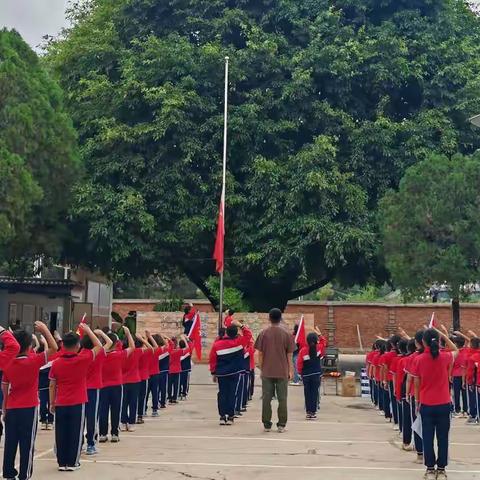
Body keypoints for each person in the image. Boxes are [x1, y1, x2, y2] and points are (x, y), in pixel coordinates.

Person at [1, 321, 56, 480]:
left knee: (10, 442)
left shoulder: (7, 363)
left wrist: (4, 410)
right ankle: (24, 474)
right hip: (29, 407)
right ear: (28, 346)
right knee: (27, 443)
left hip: (12, 407)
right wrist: (45, 330)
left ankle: (9, 472)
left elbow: (5, 389)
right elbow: (53, 348)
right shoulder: (33, 361)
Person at [49, 324, 103, 471]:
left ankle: (62, 462)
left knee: (61, 432)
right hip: (78, 401)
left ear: (63, 345)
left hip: (61, 401)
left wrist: (51, 402)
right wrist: (89, 331)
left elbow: (52, 385)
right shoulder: (83, 358)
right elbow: (99, 346)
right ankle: (72, 462)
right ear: (77, 345)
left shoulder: (57, 362)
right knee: (76, 432)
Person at [412, 328, 458, 480]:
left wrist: (418, 402)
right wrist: (444, 335)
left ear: (423, 342)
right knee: (443, 438)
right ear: (438, 341)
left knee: (427, 437)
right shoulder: (445, 357)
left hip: (426, 404)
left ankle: (430, 469)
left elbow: (417, 384)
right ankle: (442, 469)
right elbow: (456, 349)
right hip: (444, 404)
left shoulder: (418, 360)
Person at [254, 308, 295, 433]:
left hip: (267, 371)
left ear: (269, 318)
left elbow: (260, 354)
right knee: (282, 399)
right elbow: (289, 355)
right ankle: (281, 424)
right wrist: (291, 370)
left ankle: (267, 424)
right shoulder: (287, 334)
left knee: (267, 399)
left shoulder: (263, 333)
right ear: (280, 318)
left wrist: (261, 368)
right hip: (282, 371)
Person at [209, 321, 252, 425]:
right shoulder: (239, 342)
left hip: (221, 374)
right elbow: (249, 335)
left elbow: (212, 359)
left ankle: (222, 416)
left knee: (222, 394)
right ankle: (231, 416)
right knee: (233, 394)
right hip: (235, 373)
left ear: (226, 333)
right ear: (236, 333)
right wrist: (241, 325)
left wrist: (213, 373)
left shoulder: (217, 345)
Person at [99, 327, 135, 443]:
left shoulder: (100, 355)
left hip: (103, 386)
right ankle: (114, 433)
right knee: (116, 410)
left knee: (103, 411)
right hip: (116, 386)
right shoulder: (119, 354)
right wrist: (128, 334)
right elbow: (132, 347)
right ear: (116, 343)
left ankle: (102, 434)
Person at [82, 329, 113, 455]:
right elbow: (109, 342)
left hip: (81, 388)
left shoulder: (81, 354)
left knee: (81, 418)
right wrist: (99, 333)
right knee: (92, 417)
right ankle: (90, 444)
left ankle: (80, 444)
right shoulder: (99, 353)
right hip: (94, 389)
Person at [297, 329, 326, 419]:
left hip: (306, 375)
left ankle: (308, 412)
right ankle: (313, 412)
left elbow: (299, 363)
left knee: (307, 393)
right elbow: (324, 343)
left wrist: (300, 373)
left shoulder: (303, 350)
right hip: (316, 374)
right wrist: (320, 335)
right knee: (314, 393)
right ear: (316, 340)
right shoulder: (319, 348)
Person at [120, 333, 145, 432]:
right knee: (133, 402)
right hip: (135, 380)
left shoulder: (121, 352)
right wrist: (142, 339)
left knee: (124, 403)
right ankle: (131, 423)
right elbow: (151, 347)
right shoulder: (138, 351)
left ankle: (123, 422)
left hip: (123, 380)